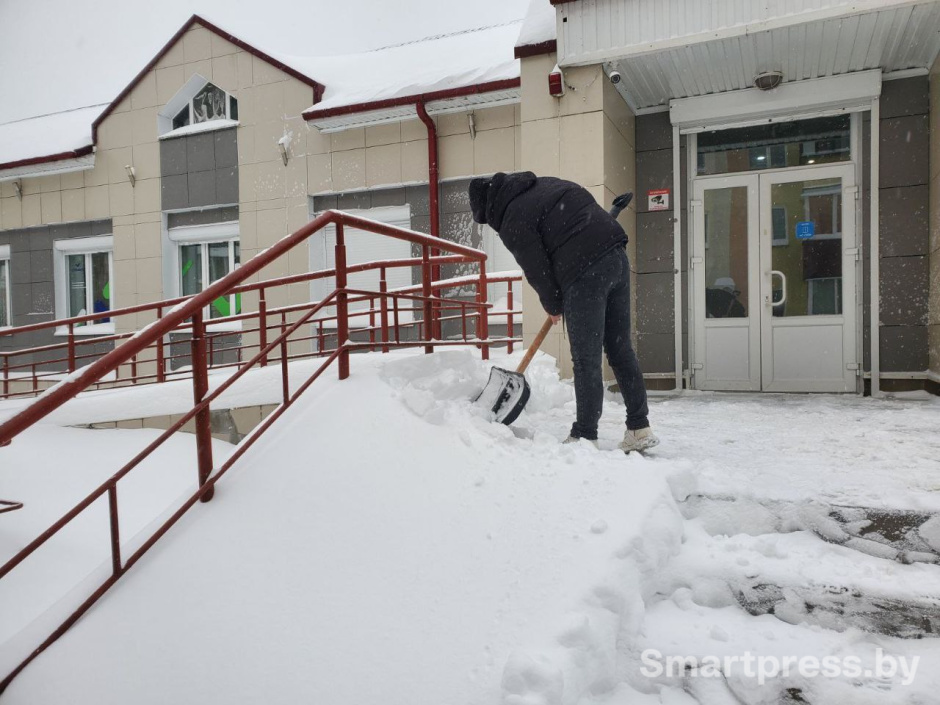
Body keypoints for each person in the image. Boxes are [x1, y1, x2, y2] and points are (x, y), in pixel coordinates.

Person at [468, 171, 659, 453]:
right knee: (620, 350)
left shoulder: (512, 218)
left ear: (489, 209)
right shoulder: (544, 184)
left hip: (585, 271)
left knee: (586, 358)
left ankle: (584, 434)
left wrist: (554, 304)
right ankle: (638, 427)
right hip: (616, 258)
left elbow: (537, 269)